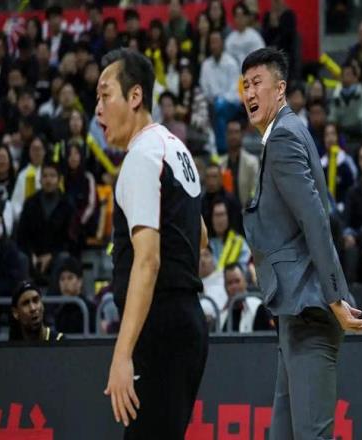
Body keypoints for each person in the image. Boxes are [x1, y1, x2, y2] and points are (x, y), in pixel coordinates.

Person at [241, 47, 362, 440]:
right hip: (295, 313)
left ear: (280, 89)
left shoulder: (283, 136)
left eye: (257, 82)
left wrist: (334, 298)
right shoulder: (289, 132)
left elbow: (316, 219)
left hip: (311, 310)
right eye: (245, 85)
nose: (249, 92)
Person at [96, 49, 208, 438]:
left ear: (135, 96)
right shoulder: (174, 148)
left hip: (159, 327)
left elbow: (148, 261)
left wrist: (122, 354)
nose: (98, 110)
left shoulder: (142, 156)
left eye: (105, 95)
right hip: (186, 321)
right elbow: (200, 235)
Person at [220, 262, 273, 332]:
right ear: (225, 287)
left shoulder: (258, 307)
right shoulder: (221, 314)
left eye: (237, 281)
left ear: (245, 282)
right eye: (230, 283)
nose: (234, 286)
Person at [219, 119, 259, 208]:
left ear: (242, 134)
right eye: (230, 132)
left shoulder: (252, 162)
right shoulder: (220, 163)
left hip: (246, 210)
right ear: (226, 135)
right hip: (225, 212)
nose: (233, 136)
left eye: (236, 132)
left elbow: (255, 189)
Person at [55, 256, 96, 334]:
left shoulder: (90, 309)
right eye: (62, 279)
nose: (65, 283)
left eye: (70, 278)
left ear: (80, 281)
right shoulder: (59, 311)